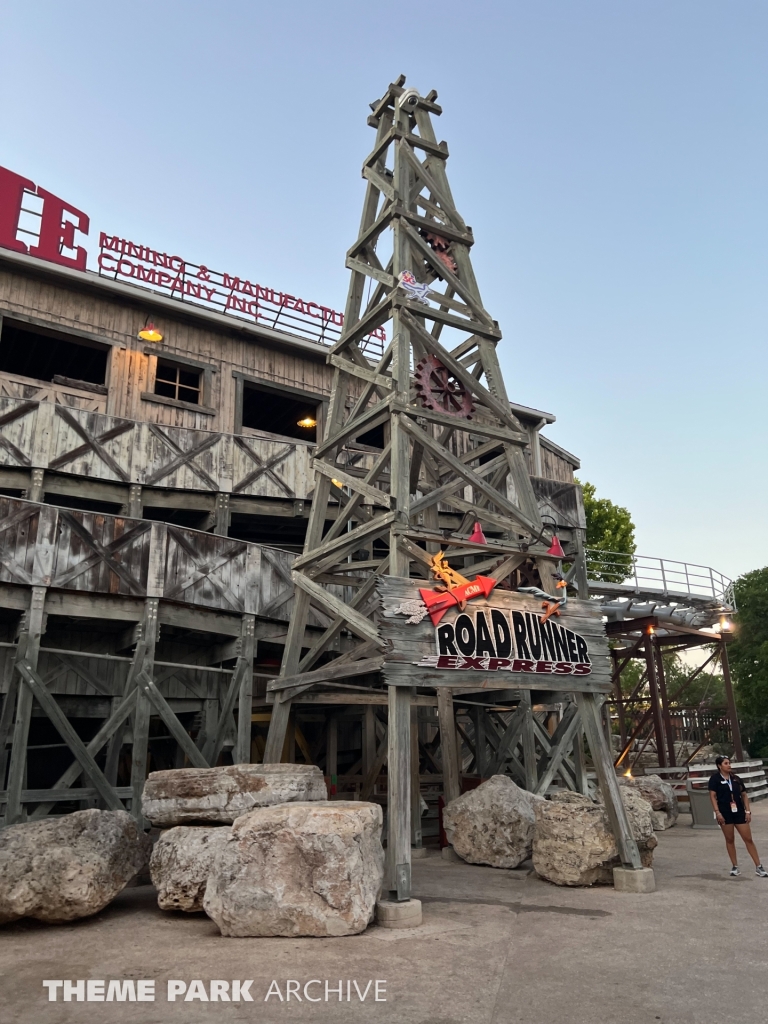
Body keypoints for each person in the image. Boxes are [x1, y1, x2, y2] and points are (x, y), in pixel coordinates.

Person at [708, 755, 768, 877]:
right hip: (724, 813)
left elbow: (744, 795)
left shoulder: (736, 779)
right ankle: (735, 866)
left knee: (748, 839)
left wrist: (748, 811)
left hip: (739, 812)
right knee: (730, 840)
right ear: (719, 766)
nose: (729, 765)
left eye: (729, 763)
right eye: (726, 763)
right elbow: (712, 796)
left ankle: (758, 866)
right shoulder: (714, 779)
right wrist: (717, 812)